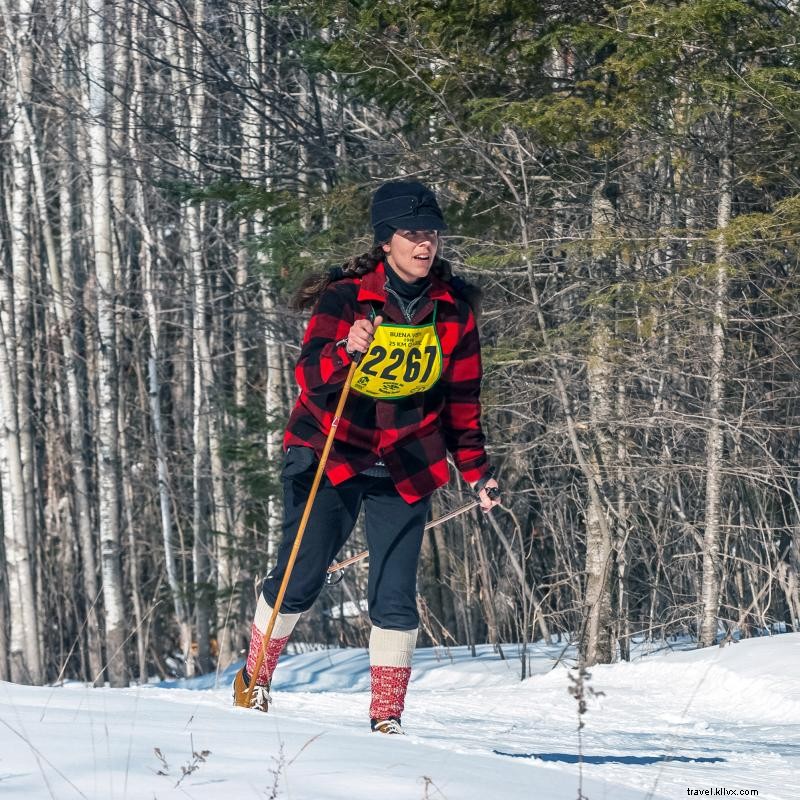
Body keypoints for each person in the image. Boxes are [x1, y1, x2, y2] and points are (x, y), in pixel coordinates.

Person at [232, 180, 500, 734]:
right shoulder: (347, 297)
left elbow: (462, 402)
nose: (425, 244)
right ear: (386, 241)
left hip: (406, 461)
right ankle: (255, 682)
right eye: (411, 234)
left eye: (431, 233)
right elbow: (308, 377)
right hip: (332, 450)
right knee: (300, 577)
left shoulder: (453, 310)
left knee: (396, 595)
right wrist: (344, 350)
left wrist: (477, 473)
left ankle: (386, 719)